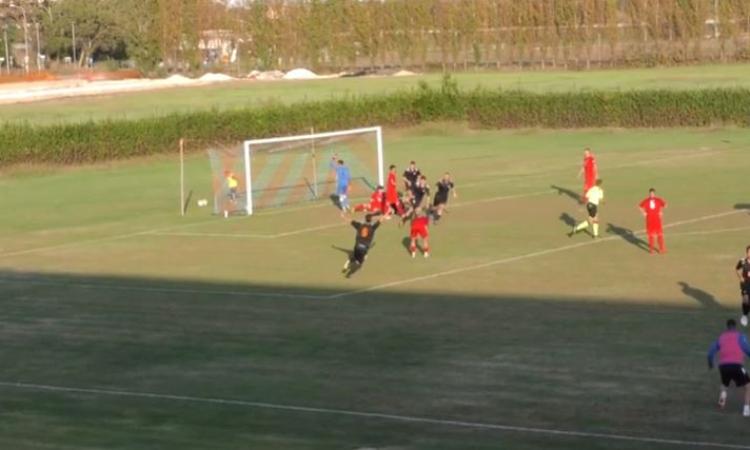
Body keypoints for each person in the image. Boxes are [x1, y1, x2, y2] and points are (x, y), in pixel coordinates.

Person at [707, 319, 750, 417]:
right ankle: (746, 410)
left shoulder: (721, 337)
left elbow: (710, 352)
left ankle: (722, 402)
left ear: (727, 327)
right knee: (748, 385)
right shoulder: (740, 337)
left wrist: (710, 364)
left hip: (723, 366)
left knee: (725, 383)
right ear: (735, 327)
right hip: (737, 366)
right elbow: (748, 350)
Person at [638, 188, 667, 254]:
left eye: (653, 193)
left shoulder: (658, 200)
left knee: (659, 235)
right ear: (649, 193)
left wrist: (661, 211)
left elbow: (665, 205)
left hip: (657, 219)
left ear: (654, 193)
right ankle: (651, 250)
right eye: (650, 193)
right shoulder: (646, 200)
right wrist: (643, 213)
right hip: (649, 220)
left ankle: (661, 249)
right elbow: (640, 206)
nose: (651, 194)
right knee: (651, 236)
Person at [735, 246, 750, 327]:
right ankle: (744, 316)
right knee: (746, 300)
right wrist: (740, 277)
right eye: (749, 252)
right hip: (745, 284)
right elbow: (737, 269)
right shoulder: (742, 261)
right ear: (746, 253)